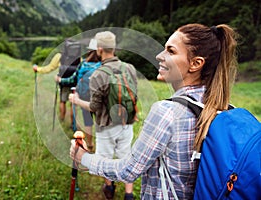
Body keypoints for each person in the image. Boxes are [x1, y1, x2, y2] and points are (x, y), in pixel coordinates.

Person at [69, 23, 238, 199]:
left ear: (195, 64)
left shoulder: (167, 112)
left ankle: (108, 188)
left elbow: (128, 170)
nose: (159, 56)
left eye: (170, 51)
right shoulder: (225, 109)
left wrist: (83, 157)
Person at [68, 31, 137, 200]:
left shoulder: (98, 74)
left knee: (105, 159)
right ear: (113, 48)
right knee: (126, 156)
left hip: (106, 125)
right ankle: (129, 194)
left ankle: (109, 187)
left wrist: (76, 101)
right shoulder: (130, 68)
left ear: (99, 49)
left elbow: (94, 107)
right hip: (126, 122)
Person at [55, 41, 101, 151]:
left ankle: (90, 145)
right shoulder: (102, 65)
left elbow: (73, 79)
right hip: (99, 99)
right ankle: (101, 147)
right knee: (100, 123)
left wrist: (60, 80)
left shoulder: (83, 64)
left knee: (88, 123)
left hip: (84, 99)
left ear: (89, 50)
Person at [33, 53, 76, 126]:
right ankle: (72, 124)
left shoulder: (60, 56)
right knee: (73, 103)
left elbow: (49, 68)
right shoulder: (78, 56)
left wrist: (38, 69)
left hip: (62, 82)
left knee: (62, 101)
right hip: (75, 82)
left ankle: (62, 119)